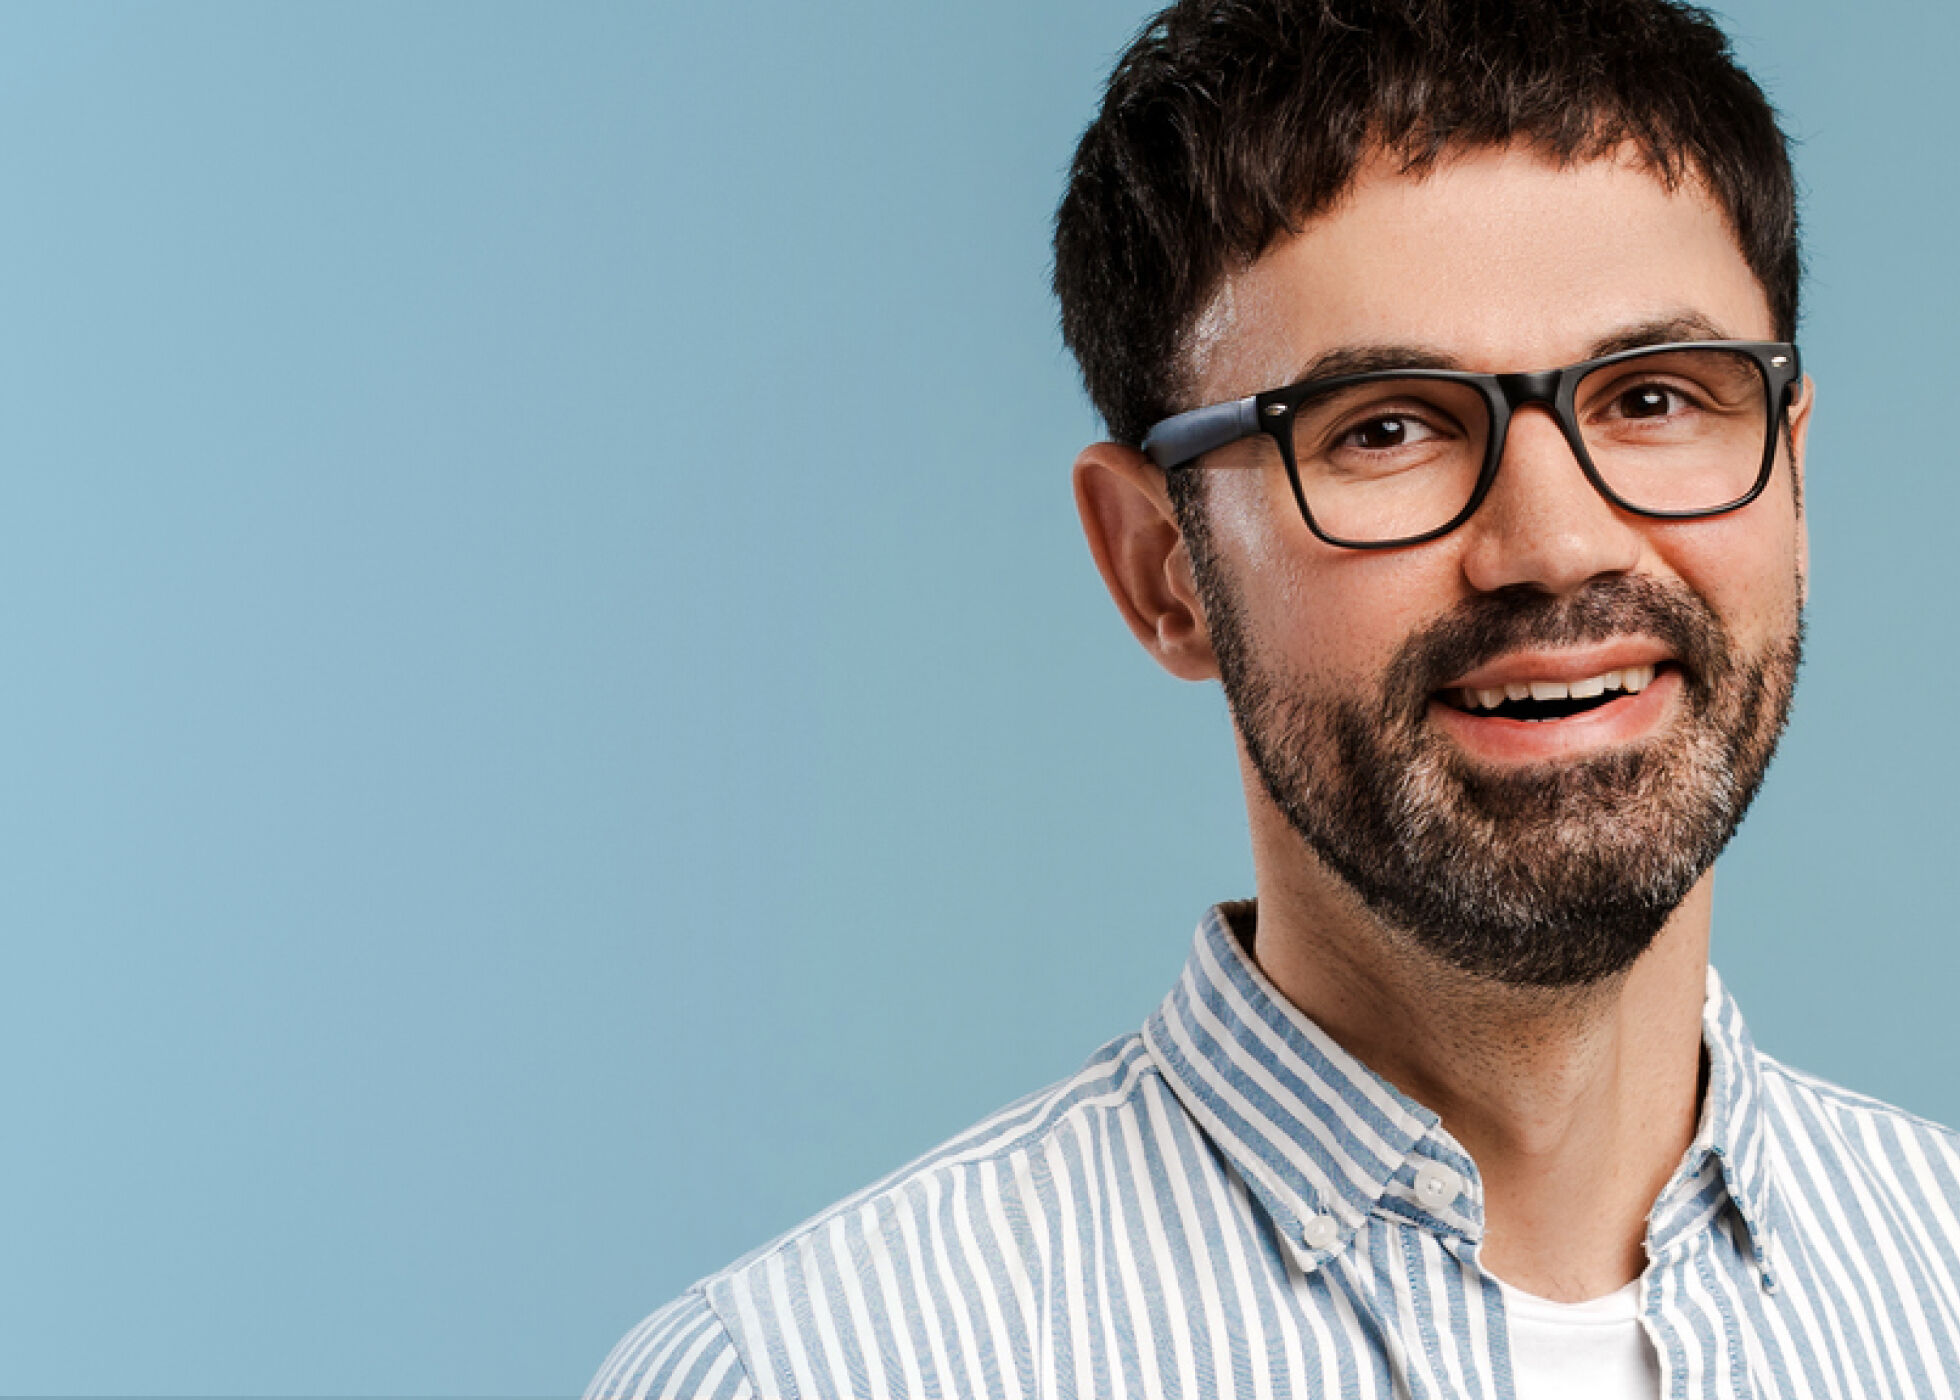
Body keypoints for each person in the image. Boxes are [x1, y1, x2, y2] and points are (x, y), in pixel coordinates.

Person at [584, 1, 1960, 1396]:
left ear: (1793, 474)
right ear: (1161, 568)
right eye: (1388, 429)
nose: (1556, 542)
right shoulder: (802, 1372)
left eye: (1655, 400)